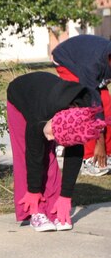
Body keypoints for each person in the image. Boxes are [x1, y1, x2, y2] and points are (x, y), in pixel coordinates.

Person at [6, 71, 105, 232]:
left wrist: (66, 196)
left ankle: (53, 209)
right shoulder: (39, 114)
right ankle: (35, 211)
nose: (51, 139)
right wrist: (33, 191)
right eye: (51, 133)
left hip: (49, 98)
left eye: (54, 135)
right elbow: (33, 155)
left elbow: (74, 153)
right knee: (34, 154)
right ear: (52, 119)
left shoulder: (83, 110)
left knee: (50, 157)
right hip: (21, 95)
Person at [51, 33, 111, 176]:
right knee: (86, 106)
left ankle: (107, 155)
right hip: (66, 60)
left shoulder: (105, 59)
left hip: (86, 57)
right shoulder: (92, 64)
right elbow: (93, 103)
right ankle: (88, 157)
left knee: (106, 102)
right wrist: (99, 141)